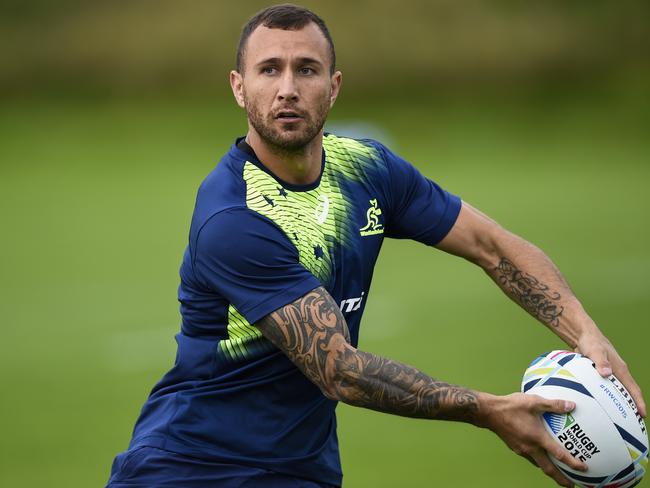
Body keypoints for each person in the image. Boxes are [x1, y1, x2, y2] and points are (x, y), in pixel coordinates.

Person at [106, 4, 646, 488]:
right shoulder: (233, 216)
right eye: (269, 70)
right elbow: (338, 368)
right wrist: (489, 410)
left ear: (334, 87)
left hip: (301, 468)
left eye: (307, 70)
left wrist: (586, 332)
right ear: (239, 87)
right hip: (191, 466)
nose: (287, 88)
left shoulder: (367, 168)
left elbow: (493, 246)